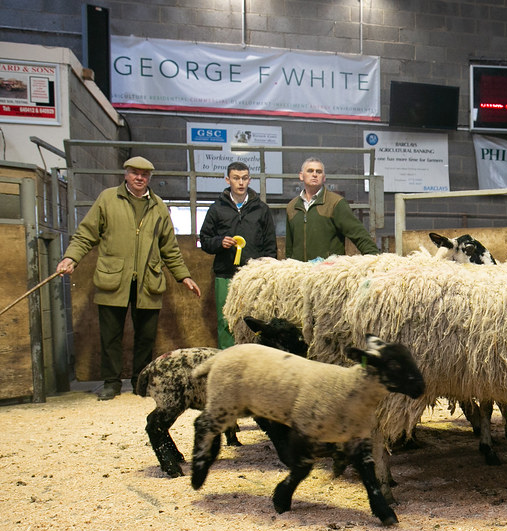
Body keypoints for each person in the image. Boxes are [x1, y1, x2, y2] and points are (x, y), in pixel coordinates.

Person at [56, 156, 202, 400]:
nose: (139, 178)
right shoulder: (108, 199)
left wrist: (183, 276)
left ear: (149, 178)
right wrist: (71, 258)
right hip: (113, 278)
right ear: (126, 174)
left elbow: (169, 248)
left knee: (146, 336)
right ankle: (111, 383)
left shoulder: (158, 207)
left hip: (149, 280)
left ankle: (139, 381)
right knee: (110, 334)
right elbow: (86, 234)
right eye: (135, 173)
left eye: (144, 174)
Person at [199, 161, 278, 348]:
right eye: (236, 178)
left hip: (255, 276)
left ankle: (253, 362)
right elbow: (204, 239)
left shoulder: (261, 209)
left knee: (255, 319)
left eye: (244, 178)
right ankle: (227, 361)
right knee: (226, 319)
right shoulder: (216, 209)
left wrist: (268, 270)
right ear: (228, 180)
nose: (240, 182)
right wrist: (219, 242)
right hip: (225, 274)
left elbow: (270, 244)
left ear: (249, 180)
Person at [285, 157, 379, 260]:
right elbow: (289, 246)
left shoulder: (336, 203)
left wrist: (376, 260)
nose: (315, 174)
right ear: (301, 176)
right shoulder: (292, 207)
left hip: (328, 272)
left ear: (324, 178)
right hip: (300, 272)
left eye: (319, 172)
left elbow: (358, 234)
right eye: (310, 171)